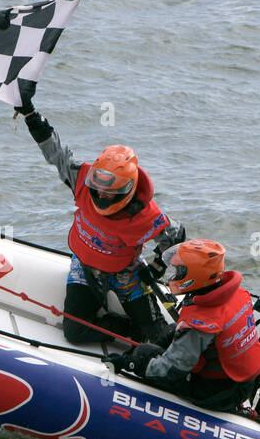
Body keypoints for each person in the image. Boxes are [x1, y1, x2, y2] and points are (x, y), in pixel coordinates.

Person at [18, 107, 184, 344]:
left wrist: (158, 266)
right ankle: (124, 329)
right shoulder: (82, 182)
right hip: (85, 268)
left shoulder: (147, 216)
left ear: (127, 190)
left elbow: (177, 237)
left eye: (110, 192)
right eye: (99, 189)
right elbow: (57, 154)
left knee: (156, 336)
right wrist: (31, 117)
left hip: (127, 273)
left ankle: (143, 334)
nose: (102, 196)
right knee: (74, 333)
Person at [115, 239, 260, 413]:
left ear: (196, 275)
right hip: (244, 381)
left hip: (218, 392)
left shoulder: (201, 323)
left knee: (143, 353)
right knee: (171, 332)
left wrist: (130, 364)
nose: (175, 275)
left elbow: (169, 373)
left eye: (180, 271)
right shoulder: (239, 294)